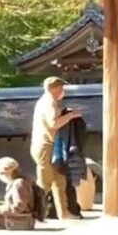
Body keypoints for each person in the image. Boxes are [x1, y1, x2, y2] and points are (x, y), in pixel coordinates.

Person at [31, 77, 82, 220]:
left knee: (59, 180)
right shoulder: (49, 102)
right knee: (45, 182)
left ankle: (64, 212)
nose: (62, 90)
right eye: (60, 87)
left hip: (52, 146)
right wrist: (71, 115)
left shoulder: (49, 102)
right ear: (52, 88)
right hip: (45, 146)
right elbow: (53, 123)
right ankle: (33, 213)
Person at [0, 157, 41, 230]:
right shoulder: (19, 182)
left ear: (6, 173)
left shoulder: (19, 184)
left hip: (20, 222)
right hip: (20, 220)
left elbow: (19, 207)